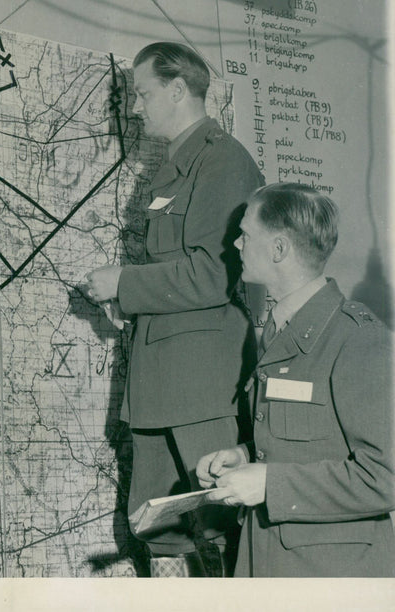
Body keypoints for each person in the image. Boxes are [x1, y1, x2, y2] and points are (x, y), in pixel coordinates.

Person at [82, 42, 263, 576]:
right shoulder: (174, 167)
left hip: (200, 391)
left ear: (178, 90)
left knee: (222, 539)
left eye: (143, 93)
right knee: (161, 540)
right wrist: (128, 303)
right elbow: (178, 275)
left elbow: (216, 273)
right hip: (159, 390)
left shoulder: (222, 159)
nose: (135, 107)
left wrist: (126, 282)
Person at [196, 183, 395, 577]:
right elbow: (311, 441)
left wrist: (270, 484)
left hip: (333, 578)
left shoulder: (358, 338)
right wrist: (246, 456)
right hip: (269, 563)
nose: (236, 244)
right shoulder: (278, 329)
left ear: (279, 250)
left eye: (245, 234)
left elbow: (386, 476)